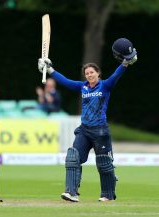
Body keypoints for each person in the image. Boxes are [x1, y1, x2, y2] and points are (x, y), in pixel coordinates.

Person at [38, 38, 137, 202]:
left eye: (92, 72)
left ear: (98, 73)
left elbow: (117, 74)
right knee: (73, 158)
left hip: (100, 131)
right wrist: (49, 69)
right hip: (84, 130)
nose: (89, 75)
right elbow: (65, 81)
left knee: (104, 164)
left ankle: (107, 194)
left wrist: (126, 63)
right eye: (87, 73)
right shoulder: (82, 86)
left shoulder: (105, 86)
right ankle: (71, 192)